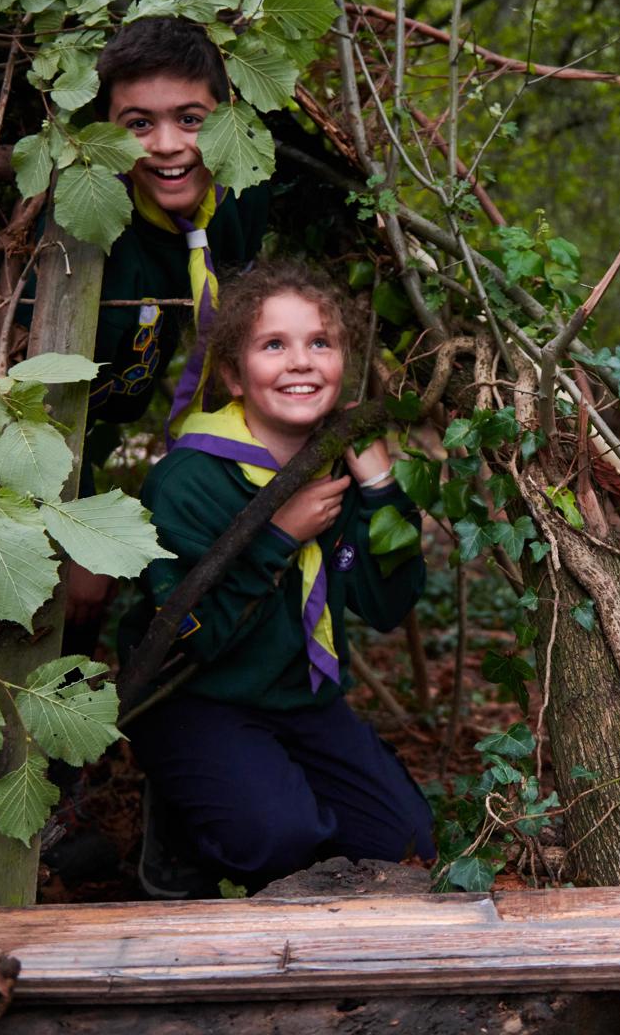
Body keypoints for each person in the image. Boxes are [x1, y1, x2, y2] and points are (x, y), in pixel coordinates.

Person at [120, 260, 434, 898]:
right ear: (233, 375)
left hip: (299, 699)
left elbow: (385, 604)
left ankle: (268, 789)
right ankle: (181, 827)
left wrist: (378, 488)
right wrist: (279, 537)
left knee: (405, 846)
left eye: (320, 343)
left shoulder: (338, 461)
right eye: (274, 345)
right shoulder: (188, 481)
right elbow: (196, 637)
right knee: (278, 841)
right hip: (196, 697)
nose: (301, 362)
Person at [60, 17, 274, 634]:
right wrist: (82, 531)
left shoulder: (243, 190)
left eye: (190, 119)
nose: (166, 145)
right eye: (138, 124)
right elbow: (28, 401)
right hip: (62, 443)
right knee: (73, 602)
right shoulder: (86, 232)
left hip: (157, 433)